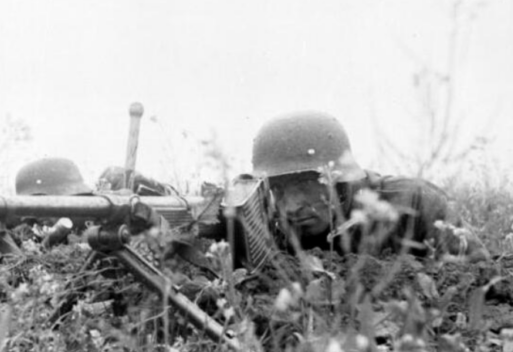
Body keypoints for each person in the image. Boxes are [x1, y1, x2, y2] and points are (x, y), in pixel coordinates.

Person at [102, 111, 488, 263]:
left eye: (305, 184)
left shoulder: (414, 202)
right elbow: (208, 219)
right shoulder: (266, 214)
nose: (291, 204)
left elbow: (482, 283)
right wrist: (149, 198)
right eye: (280, 188)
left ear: (337, 180)